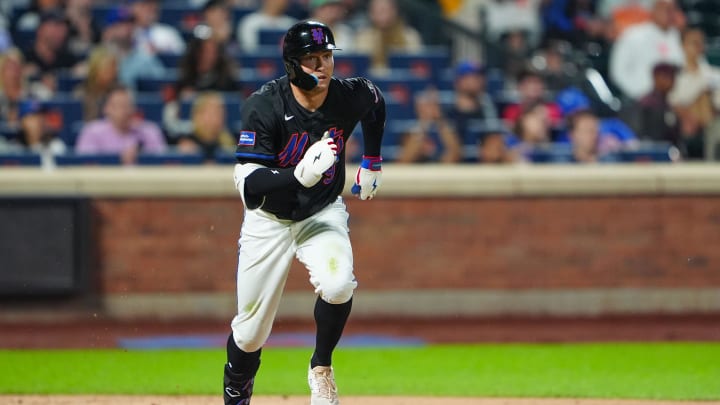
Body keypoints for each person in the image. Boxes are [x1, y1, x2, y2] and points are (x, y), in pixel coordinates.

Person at [224, 20, 385, 405]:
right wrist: (297, 175)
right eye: (312, 59)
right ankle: (237, 393)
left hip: (321, 211)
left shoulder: (348, 95)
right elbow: (250, 186)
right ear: (293, 64)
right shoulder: (264, 106)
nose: (323, 66)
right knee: (249, 333)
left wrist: (373, 160)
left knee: (339, 284)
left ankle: (321, 367)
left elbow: (375, 102)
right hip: (270, 219)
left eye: (327, 56)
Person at [608, 0, 684, 100]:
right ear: (652, 10)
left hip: (675, 99)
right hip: (641, 101)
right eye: (664, 8)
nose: (669, 13)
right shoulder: (633, 35)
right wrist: (640, 95)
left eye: (672, 9)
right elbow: (617, 72)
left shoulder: (679, 37)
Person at [74, 85, 167, 164]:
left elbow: (162, 164)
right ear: (106, 108)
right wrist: (117, 160)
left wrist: (140, 158)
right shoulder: (92, 132)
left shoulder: (150, 131)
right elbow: (86, 167)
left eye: (128, 105)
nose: (125, 111)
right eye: (120, 106)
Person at [396, 88, 463, 163]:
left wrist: (440, 120)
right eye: (427, 105)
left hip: (441, 169)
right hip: (416, 170)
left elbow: (456, 153)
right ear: (418, 108)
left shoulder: (446, 129)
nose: (430, 108)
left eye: (433, 104)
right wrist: (424, 123)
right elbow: (404, 160)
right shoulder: (410, 131)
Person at [176, 91, 236, 162]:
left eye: (220, 112)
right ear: (198, 115)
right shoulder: (186, 142)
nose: (218, 117)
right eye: (212, 113)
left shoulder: (230, 143)